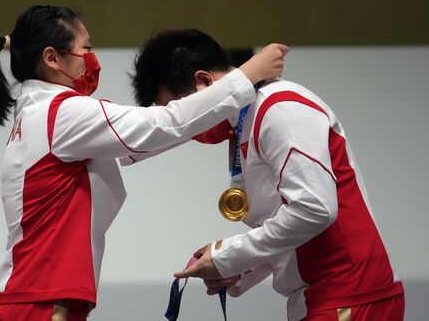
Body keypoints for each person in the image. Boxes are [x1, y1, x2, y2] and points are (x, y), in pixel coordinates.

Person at [0, 5, 288, 321]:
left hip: (28, 296)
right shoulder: (61, 113)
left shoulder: (39, 114)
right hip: (39, 300)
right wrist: (247, 74)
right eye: (86, 48)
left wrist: (210, 119)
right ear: (52, 58)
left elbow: (134, 146)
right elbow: (162, 123)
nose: (91, 57)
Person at [129, 29, 405, 320]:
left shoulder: (280, 107)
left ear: (204, 82)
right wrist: (240, 269)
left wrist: (229, 255)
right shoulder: (244, 123)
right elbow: (291, 227)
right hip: (325, 296)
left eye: (183, 111)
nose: (188, 126)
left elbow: (315, 209)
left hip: (350, 293)